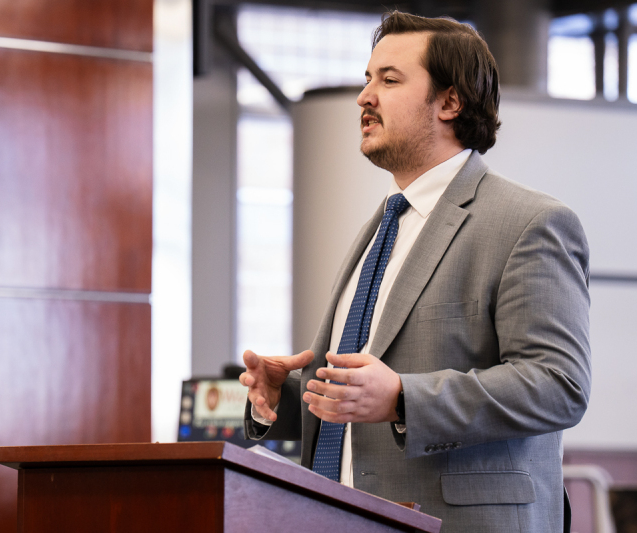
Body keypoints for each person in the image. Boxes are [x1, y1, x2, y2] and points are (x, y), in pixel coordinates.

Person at [239, 11, 590, 533]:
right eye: (367, 79)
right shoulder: (380, 228)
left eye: (389, 80)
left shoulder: (531, 223)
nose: (365, 97)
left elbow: (558, 384)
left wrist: (405, 397)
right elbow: (366, 400)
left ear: (450, 101)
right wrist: (285, 399)